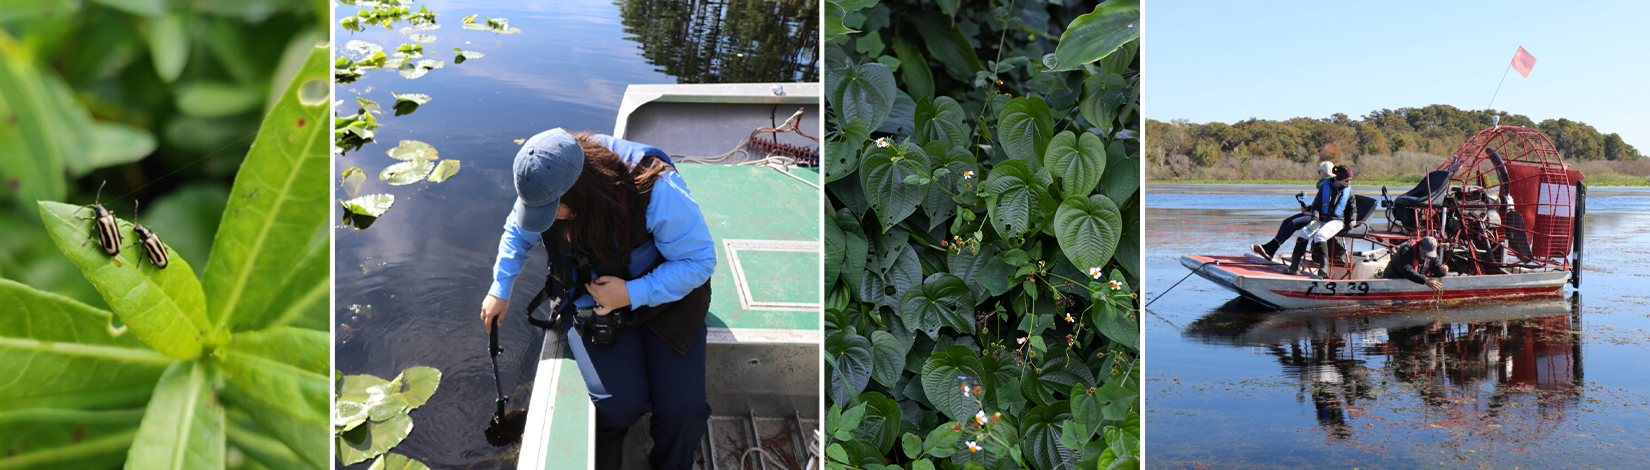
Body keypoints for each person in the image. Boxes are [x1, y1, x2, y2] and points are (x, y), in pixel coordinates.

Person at [478, 128, 716, 470]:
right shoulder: (544, 179)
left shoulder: (654, 188)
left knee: (683, 411)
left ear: (578, 195)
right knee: (619, 404)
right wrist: (500, 287)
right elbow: (517, 231)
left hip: (666, 300)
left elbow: (700, 261)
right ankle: (609, 439)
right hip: (592, 297)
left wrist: (632, 293)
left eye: (551, 211)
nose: (544, 220)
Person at [1253, 161, 1335, 259]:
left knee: (1293, 223)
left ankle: (1270, 249)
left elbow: (1327, 206)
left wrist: (1312, 212)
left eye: (1319, 171)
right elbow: (1318, 203)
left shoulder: (1328, 186)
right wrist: (1308, 208)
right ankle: (1271, 249)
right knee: (1286, 221)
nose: (1319, 174)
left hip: (1320, 218)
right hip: (1314, 213)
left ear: (1325, 172)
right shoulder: (1324, 184)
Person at [1286, 165, 1354, 276]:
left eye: (1350, 180)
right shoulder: (1325, 186)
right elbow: (1316, 206)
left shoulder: (1348, 191)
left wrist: (1352, 220)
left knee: (1320, 235)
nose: (1349, 182)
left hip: (1337, 221)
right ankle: (1294, 266)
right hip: (1321, 219)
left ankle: (1324, 268)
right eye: (1347, 180)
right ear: (1339, 178)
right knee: (1304, 232)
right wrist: (1315, 219)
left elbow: (1353, 208)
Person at [1382, 236, 1449, 292]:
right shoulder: (1406, 250)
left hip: (1415, 281)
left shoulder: (1431, 255)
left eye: (1430, 254)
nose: (1427, 256)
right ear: (1420, 247)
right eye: (1426, 253)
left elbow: (1436, 268)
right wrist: (1426, 280)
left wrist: (1442, 270)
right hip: (1394, 278)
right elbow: (1406, 270)